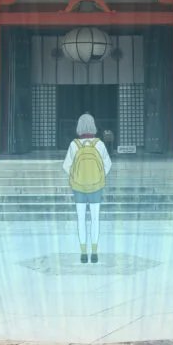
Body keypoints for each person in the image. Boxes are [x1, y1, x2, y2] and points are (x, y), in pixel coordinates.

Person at [62, 113, 112, 264]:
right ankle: (95, 252)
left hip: (79, 188)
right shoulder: (100, 144)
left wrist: (76, 176)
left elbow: (66, 166)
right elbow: (108, 164)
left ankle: (83, 252)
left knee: (81, 219)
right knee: (95, 219)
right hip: (96, 187)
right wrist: (99, 177)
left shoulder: (74, 145)